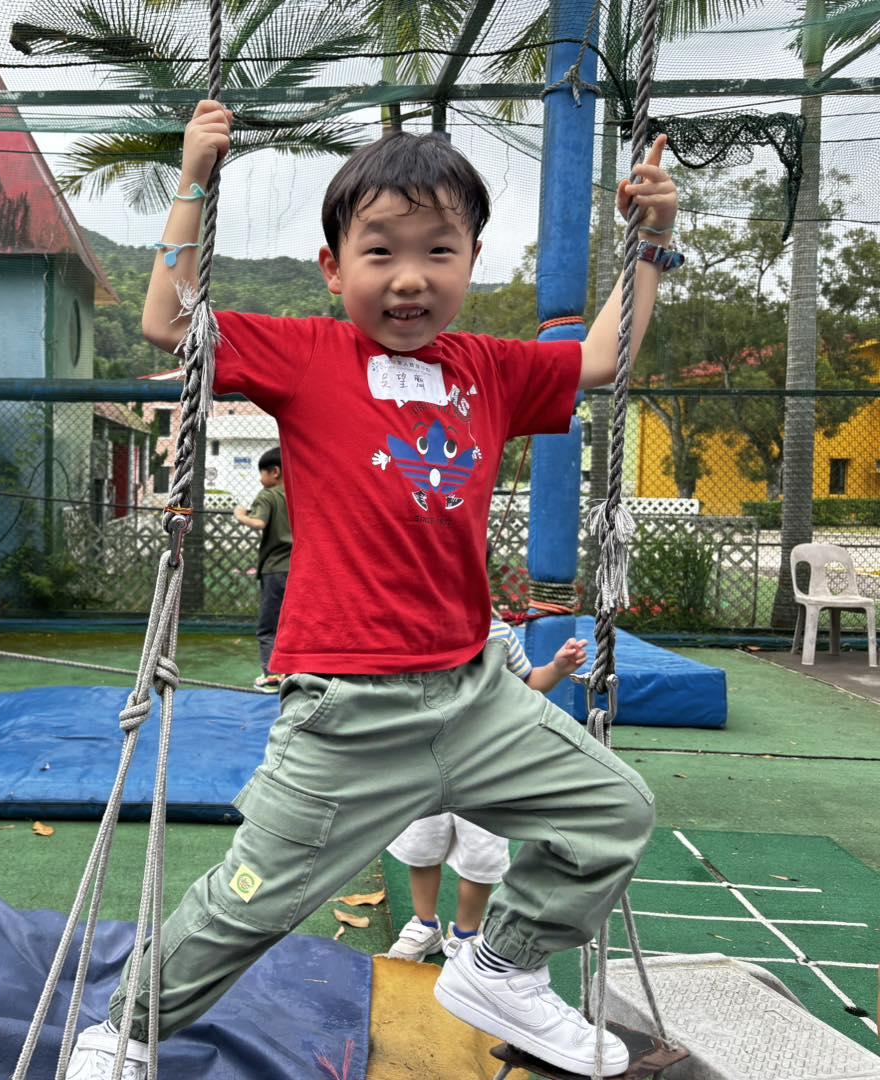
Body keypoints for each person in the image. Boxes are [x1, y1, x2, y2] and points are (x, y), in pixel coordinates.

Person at [65, 101, 679, 1080]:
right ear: (333, 267)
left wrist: (652, 242)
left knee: (612, 811)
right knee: (250, 901)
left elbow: (604, 359)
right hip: (349, 710)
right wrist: (194, 176)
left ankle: (500, 970)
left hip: (477, 694)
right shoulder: (309, 357)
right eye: (381, 250)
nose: (409, 277)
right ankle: (125, 1031)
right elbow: (165, 318)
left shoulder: (490, 369)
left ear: (471, 261)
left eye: (439, 251)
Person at [387, 617, 589, 961]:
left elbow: (529, 682)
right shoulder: (412, 626)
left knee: (481, 858)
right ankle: (425, 925)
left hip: (487, 766)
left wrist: (557, 667)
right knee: (421, 848)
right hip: (426, 762)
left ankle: (466, 934)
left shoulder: (497, 632)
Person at [232, 447, 291, 692]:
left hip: (276, 569)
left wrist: (239, 515)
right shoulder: (298, 494)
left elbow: (258, 522)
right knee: (292, 623)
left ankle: (271, 676)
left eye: (262, 473)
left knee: (268, 627)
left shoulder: (268, 495)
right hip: (299, 569)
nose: (260, 479)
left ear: (274, 472)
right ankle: (292, 673)